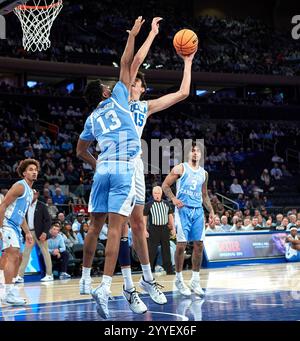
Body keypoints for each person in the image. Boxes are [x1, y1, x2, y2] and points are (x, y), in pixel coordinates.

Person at [76, 17, 146, 319]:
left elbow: (80, 150)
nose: (112, 85)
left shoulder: (91, 119)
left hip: (102, 167)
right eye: (107, 86)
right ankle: (104, 286)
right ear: (105, 93)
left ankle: (84, 278)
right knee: (118, 229)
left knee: (95, 226)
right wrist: (132, 35)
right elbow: (126, 61)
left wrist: (95, 163)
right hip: (123, 167)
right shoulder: (119, 95)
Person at [162, 143, 215, 297]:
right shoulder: (180, 168)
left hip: (198, 211)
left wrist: (211, 211)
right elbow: (165, 185)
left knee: (199, 244)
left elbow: (204, 195)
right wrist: (173, 199)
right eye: (192, 151)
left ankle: (195, 280)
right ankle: (178, 279)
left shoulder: (204, 173)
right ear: (188, 154)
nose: (195, 153)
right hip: (182, 210)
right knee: (181, 245)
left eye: (198, 151)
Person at [0, 159, 38, 305]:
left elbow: (21, 215)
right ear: (24, 173)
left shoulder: (30, 192)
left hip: (16, 226)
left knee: (19, 258)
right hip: (7, 223)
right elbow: (3, 205)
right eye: (30, 169)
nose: (34, 171)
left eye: (35, 169)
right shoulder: (20, 186)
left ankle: (9, 290)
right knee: (13, 256)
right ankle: (9, 292)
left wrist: (27, 232)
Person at [16, 189, 53, 283]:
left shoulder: (42, 205)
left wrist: (45, 232)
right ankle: (20, 276)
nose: (32, 195)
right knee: (25, 254)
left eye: (34, 194)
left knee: (45, 253)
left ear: (37, 194)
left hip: (41, 233)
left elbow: (48, 220)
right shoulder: (26, 205)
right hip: (29, 233)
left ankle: (49, 275)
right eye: (30, 194)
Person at [143, 186, 175, 273]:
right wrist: (144, 230)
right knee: (152, 250)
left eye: (158, 193)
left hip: (164, 228)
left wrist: (173, 228)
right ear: (152, 194)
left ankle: (169, 269)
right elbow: (144, 218)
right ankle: (149, 269)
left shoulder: (166, 203)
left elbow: (170, 217)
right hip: (153, 229)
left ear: (161, 194)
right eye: (155, 193)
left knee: (166, 249)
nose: (156, 195)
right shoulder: (148, 205)